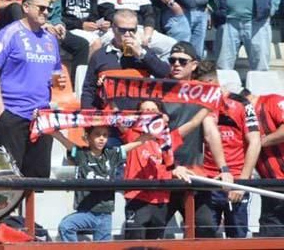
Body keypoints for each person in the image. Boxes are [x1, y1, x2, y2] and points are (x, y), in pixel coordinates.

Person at [0, 0, 59, 177]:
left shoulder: (50, 39)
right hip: (13, 113)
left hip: (41, 117)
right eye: (41, 8)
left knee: (37, 181)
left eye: (49, 9)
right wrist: (0, 109)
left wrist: (58, 83)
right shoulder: (10, 33)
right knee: (8, 179)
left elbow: (56, 75)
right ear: (26, 7)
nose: (46, 12)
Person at [194, 65, 260, 239]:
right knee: (203, 236)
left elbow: (255, 142)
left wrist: (242, 183)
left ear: (210, 82)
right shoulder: (198, 105)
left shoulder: (241, 103)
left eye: (198, 86)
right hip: (206, 180)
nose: (196, 91)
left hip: (236, 180)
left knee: (237, 237)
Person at [79, 10, 171, 109]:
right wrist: (89, 117)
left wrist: (141, 54)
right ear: (113, 28)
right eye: (122, 30)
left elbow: (164, 73)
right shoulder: (99, 55)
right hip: (110, 114)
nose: (127, 34)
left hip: (139, 114)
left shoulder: (144, 53)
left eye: (132, 30)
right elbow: (89, 91)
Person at [52, 124, 126, 242]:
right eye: (97, 134)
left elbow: (131, 146)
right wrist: (52, 131)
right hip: (86, 211)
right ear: (87, 137)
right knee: (66, 226)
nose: (101, 138)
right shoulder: (81, 154)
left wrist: (147, 136)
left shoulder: (112, 154)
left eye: (105, 135)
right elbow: (63, 140)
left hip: (105, 213)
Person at [121, 99, 181, 240]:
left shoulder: (168, 138)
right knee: (134, 244)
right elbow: (117, 117)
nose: (149, 114)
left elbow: (192, 125)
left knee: (156, 244)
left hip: (161, 200)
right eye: (145, 111)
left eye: (153, 111)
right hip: (137, 197)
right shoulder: (133, 133)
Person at [254, 91, 284, 235]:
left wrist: (258, 143)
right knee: (270, 232)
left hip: (280, 180)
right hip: (270, 184)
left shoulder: (272, 101)